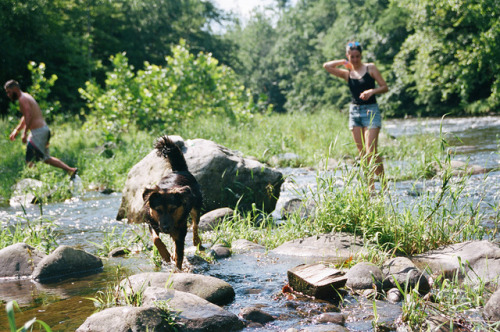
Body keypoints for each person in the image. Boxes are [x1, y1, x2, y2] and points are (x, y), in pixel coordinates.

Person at [323, 41, 388, 191]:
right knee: (363, 154)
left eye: (357, 56)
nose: (355, 59)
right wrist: (343, 62)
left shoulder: (370, 68)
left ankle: (384, 186)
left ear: (361, 55)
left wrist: (371, 91)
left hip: (371, 111)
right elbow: (327, 66)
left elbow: (384, 87)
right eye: (352, 56)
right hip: (355, 113)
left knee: (372, 151)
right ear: (348, 56)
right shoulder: (348, 74)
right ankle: (370, 188)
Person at [5, 80, 78, 178]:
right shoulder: (25, 97)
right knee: (46, 159)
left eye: (9, 92)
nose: (8, 95)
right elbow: (25, 116)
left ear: (15, 89)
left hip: (38, 132)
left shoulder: (23, 98)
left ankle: (36, 181)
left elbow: (29, 115)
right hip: (43, 131)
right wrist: (17, 130)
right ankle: (70, 170)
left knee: (30, 160)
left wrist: (24, 133)